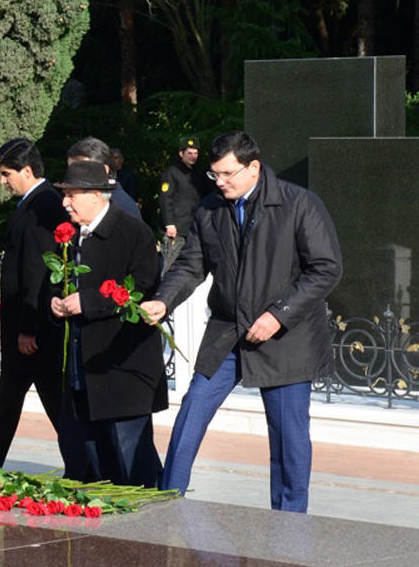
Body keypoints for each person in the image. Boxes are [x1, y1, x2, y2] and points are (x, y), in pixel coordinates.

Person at [141, 131, 342, 512]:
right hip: (227, 330)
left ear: (254, 167)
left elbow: (326, 269)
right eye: (215, 175)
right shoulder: (209, 209)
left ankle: (289, 523)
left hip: (287, 337)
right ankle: (167, 501)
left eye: (228, 174)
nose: (221, 182)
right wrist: (162, 301)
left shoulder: (299, 204)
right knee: (192, 410)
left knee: (288, 437)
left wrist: (278, 316)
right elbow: (190, 266)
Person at [50, 160, 167, 488]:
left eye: (70, 195)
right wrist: (55, 302)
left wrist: (87, 302)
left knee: (131, 459)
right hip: (83, 368)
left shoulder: (131, 232)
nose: (65, 203)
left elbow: (142, 285)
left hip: (121, 369)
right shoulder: (71, 237)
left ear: (94, 196)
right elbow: (56, 281)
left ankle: (147, 531)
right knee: (97, 457)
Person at [0, 138, 69, 467]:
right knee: (9, 404)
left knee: (56, 406)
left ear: (27, 171)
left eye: (6, 174)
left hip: (33, 334)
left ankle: (86, 467)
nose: (3, 181)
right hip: (23, 331)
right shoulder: (33, 202)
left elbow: (37, 271)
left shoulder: (44, 205)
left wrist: (29, 328)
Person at [158, 137, 211, 269]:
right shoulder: (172, 172)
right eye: (189, 153)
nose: (193, 157)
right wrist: (169, 223)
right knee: (169, 266)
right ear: (181, 154)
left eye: (196, 154)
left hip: (192, 228)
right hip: (176, 229)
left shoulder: (196, 174)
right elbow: (166, 198)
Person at [66, 137, 140, 219]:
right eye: (71, 170)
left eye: (81, 170)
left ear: (104, 170)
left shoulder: (120, 207)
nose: (72, 176)